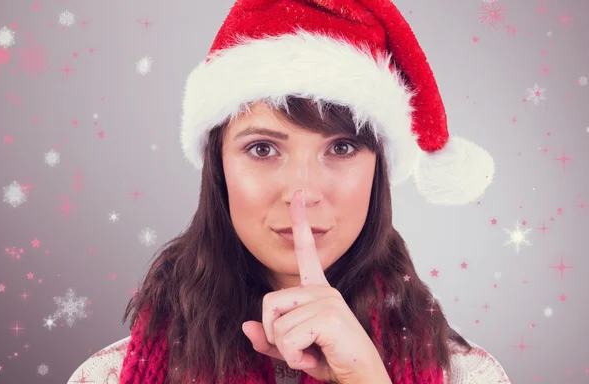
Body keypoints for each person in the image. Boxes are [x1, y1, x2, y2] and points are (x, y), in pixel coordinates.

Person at [67, 0, 510, 383]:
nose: (302, 193)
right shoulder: (108, 375)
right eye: (262, 148)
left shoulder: (469, 375)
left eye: (342, 146)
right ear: (218, 167)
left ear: (379, 170)